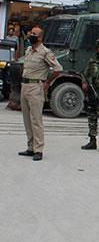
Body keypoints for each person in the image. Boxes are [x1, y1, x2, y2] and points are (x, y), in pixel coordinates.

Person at [18, 26, 63, 161]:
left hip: (36, 86)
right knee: (27, 120)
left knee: (36, 120)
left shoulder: (45, 52)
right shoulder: (28, 51)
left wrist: (47, 82)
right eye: (31, 33)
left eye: (34, 34)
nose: (31, 35)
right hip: (25, 86)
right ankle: (30, 147)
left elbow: (58, 68)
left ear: (40, 37)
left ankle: (38, 150)